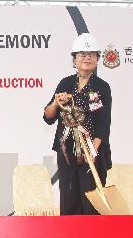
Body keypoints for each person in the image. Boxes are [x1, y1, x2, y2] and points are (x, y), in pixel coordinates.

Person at [43, 33, 112, 215]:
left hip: (92, 152)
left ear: (98, 59)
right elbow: (48, 117)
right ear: (74, 59)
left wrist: (93, 150)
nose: (87, 57)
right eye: (82, 54)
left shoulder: (102, 87)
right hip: (67, 152)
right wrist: (56, 103)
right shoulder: (65, 83)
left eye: (92, 54)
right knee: (69, 197)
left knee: (91, 201)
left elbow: (104, 123)